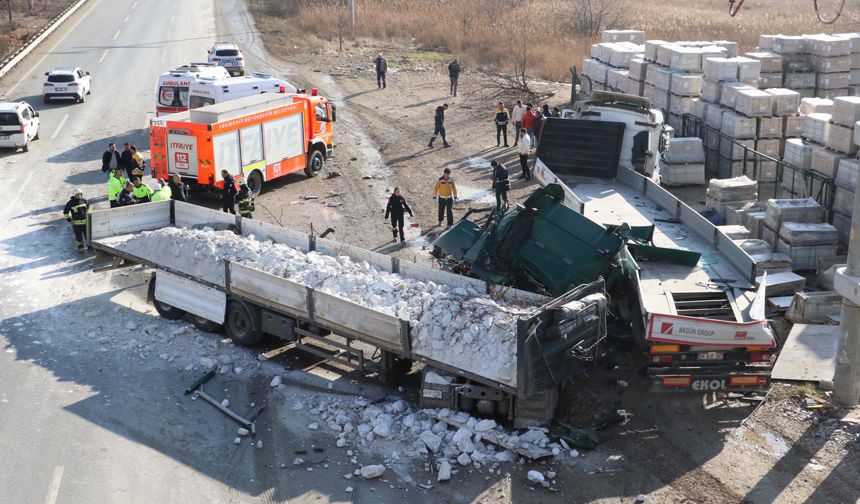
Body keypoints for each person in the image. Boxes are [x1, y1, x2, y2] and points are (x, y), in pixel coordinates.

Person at [63, 188, 89, 252]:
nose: (79, 196)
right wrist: (69, 220)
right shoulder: (70, 203)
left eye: (80, 194)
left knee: (87, 236)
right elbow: (65, 213)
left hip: (85, 223)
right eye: (77, 194)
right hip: (76, 224)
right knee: (78, 237)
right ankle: (80, 247)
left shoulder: (84, 200)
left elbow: (88, 208)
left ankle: (89, 246)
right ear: (74, 195)